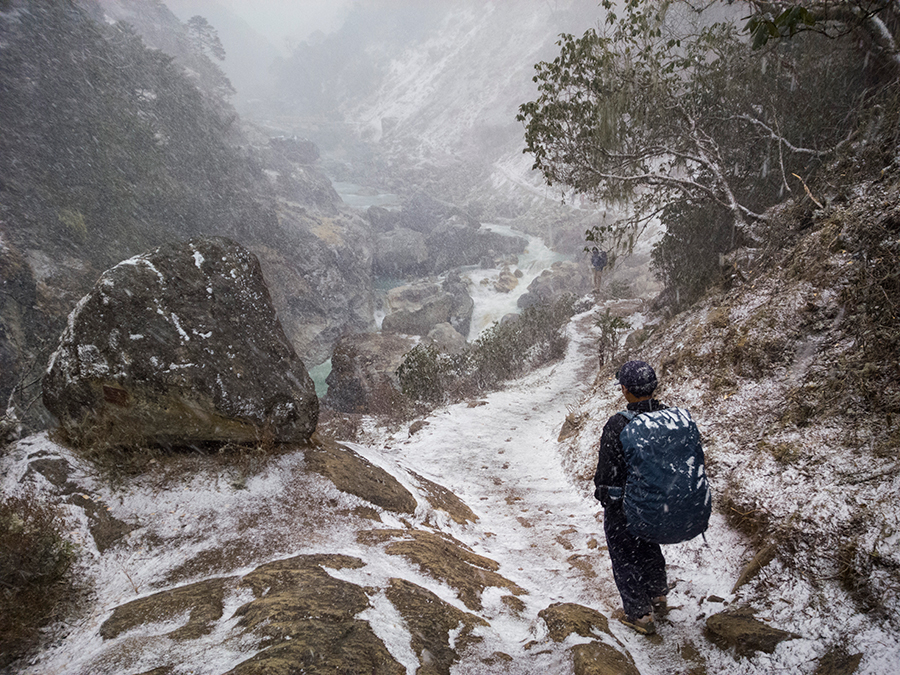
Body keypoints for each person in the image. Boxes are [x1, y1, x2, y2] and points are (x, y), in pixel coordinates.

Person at [593, 360, 668, 635]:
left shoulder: (618, 424)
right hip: (658, 501)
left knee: (625, 555)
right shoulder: (668, 417)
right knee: (649, 545)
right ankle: (658, 596)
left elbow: (606, 471)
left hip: (625, 505)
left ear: (625, 389)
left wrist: (604, 494)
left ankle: (640, 615)